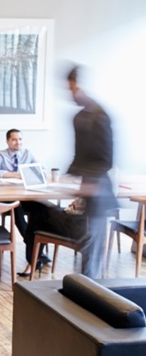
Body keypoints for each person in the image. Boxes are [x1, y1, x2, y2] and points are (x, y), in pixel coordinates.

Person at [65, 65, 117, 279]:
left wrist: (91, 183)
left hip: (100, 188)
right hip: (87, 185)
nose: (72, 94)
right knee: (87, 240)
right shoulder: (78, 118)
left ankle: (90, 288)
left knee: (93, 241)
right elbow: (79, 155)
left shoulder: (101, 116)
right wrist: (71, 178)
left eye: (73, 89)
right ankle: (85, 285)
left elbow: (107, 158)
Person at [0, 129, 51, 264]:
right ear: (8, 141)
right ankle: (32, 244)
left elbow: (41, 169)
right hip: (6, 196)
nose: (18, 143)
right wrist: (16, 174)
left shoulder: (27, 154)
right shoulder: (0, 154)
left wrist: (37, 172)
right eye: (14, 139)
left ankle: (36, 247)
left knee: (42, 206)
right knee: (16, 207)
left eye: (20, 139)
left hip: (25, 195)